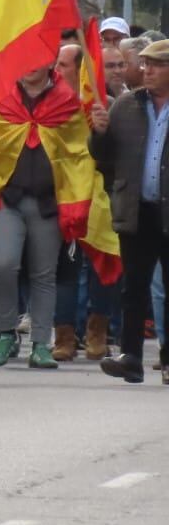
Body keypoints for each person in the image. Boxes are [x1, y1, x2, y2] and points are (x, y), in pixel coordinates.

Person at [0, 61, 106, 371]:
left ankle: (40, 344)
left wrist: (100, 129)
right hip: (8, 199)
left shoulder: (68, 102)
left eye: (38, 58)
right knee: (3, 265)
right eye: (26, 58)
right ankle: (5, 334)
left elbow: (82, 152)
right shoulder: (2, 97)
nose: (30, 65)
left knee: (44, 275)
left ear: (49, 61)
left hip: (48, 202)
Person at [93, 38, 169, 384]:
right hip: (137, 209)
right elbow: (104, 157)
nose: (146, 70)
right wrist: (99, 134)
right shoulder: (126, 105)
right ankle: (131, 357)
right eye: (145, 64)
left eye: (156, 65)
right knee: (133, 288)